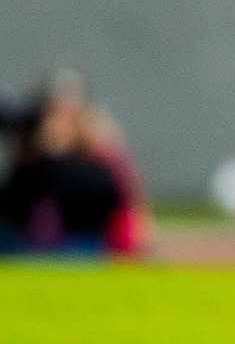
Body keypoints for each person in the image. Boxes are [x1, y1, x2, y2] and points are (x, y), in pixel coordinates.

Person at [0, 69, 147, 257]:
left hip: (83, 241)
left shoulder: (99, 150)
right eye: (53, 111)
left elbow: (114, 201)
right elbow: (16, 204)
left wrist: (56, 157)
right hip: (29, 239)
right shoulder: (33, 153)